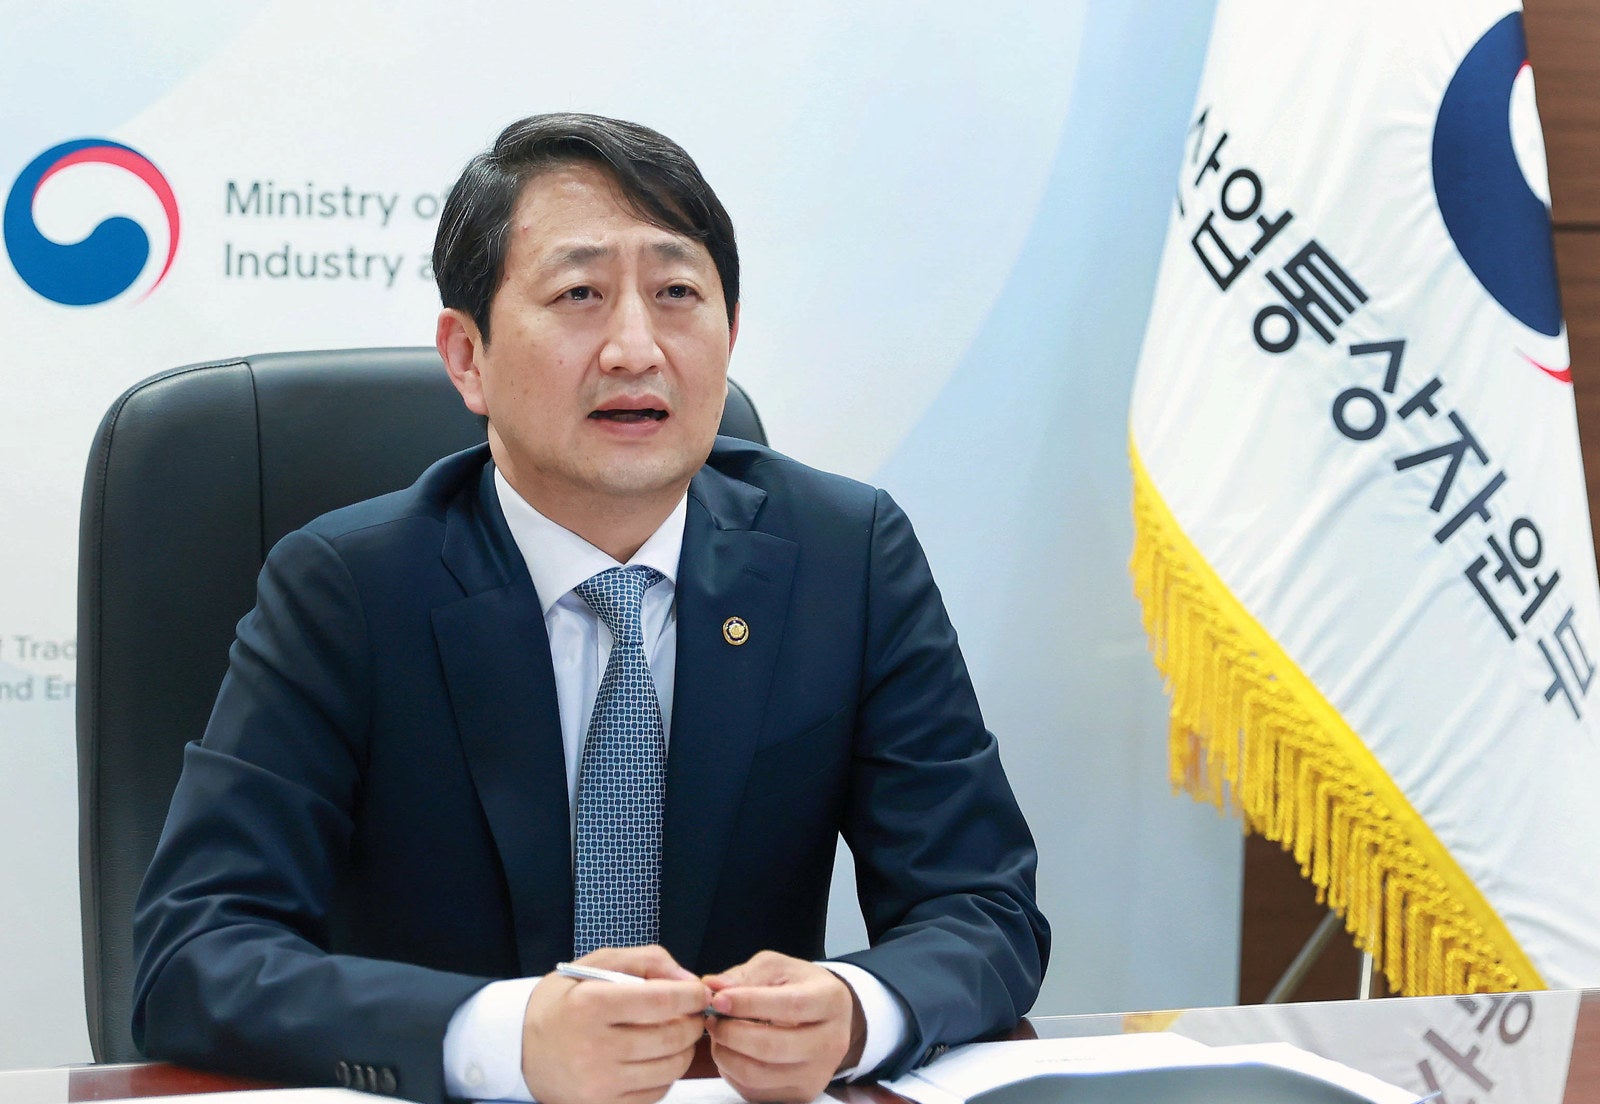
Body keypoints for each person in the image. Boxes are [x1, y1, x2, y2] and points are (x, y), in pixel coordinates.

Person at [132, 113, 1048, 1104]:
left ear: (730, 334)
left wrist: (858, 1008)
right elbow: (195, 954)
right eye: (579, 295)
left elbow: (982, 908)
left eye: (677, 294)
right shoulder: (347, 588)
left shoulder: (845, 558)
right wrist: (505, 1036)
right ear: (467, 356)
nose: (635, 349)